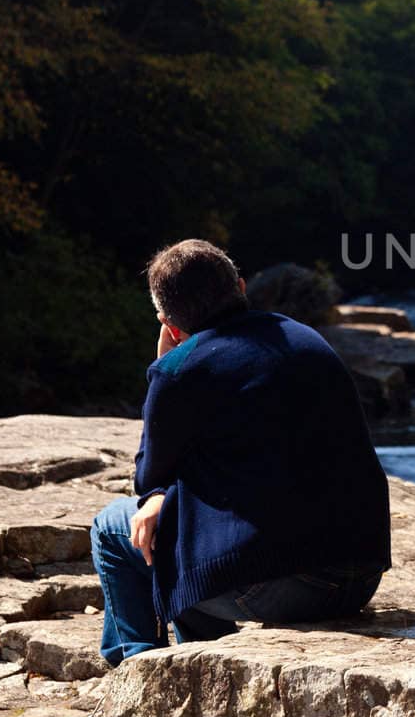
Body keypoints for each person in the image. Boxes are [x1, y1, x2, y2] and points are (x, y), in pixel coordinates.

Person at [89, 239, 391, 667]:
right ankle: (200, 670)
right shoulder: (305, 339)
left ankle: (134, 675)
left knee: (111, 529)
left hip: (285, 588)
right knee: (187, 528)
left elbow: (148, 475)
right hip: (360, 574)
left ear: (168, 324)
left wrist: (163, 366)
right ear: (242, 287)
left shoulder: (180, 369)